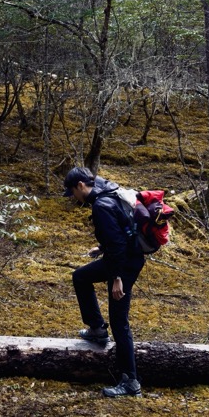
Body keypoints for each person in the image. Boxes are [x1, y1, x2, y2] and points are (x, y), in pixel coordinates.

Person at [62, 166, 145, 398]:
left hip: (124, 264)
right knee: (80, 276)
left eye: (73, 192)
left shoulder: (101, 205)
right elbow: (121, 230)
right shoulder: (107, 192)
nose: (74, 197)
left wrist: (117, 278)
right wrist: (102, 248)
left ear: (81, 186)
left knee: (119, 321)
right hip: (121, 258)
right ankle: (97, 329)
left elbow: (118, 244)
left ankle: (131, 382)